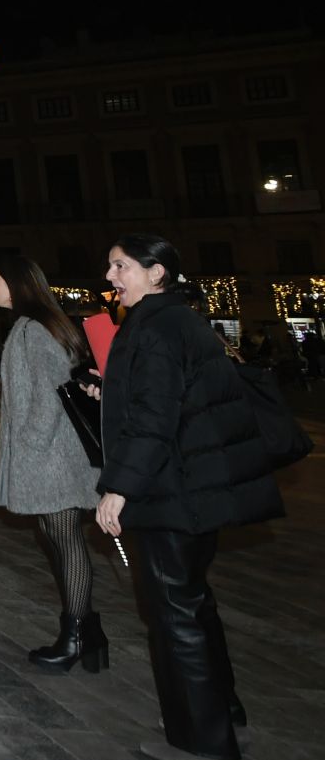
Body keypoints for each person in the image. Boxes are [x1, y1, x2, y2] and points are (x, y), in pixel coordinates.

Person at [97, 234, 280, 760]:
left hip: (168, 491)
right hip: (196, 490)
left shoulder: (152, 326)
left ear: (156, 273)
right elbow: (171, 398)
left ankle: (202, 742)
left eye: (120, 266)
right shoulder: (181, 319)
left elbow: (156, 420)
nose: (111, 276)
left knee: (174, 615)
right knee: (195, 606)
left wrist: (119, 488)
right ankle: (224, 714)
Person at [0, 255, 107, 674]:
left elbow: (51, 393)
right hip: (50, 453)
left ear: (17, 285)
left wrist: (26, 446)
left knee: (65, 538)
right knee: (56, 537)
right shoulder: (30, 327)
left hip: (53, 456)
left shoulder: (34, 330)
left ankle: (76, 637)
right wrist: (9, 438)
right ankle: (89, 634)